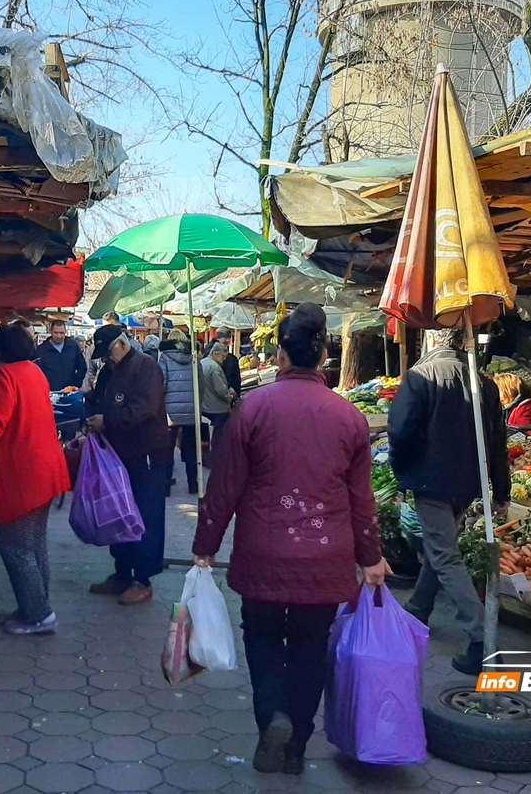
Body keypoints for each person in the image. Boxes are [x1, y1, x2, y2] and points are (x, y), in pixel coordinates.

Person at [193, 303, 387, 777]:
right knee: (309, 645)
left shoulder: (251, 410)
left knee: (261, 638)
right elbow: (362, 500)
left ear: (280, 355)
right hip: (325, 560)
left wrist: (205, 546)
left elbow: (224, 487)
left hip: (262, 553)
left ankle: (271, 720)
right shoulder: (349, 418)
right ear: (322, 356)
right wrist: (372, 558)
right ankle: (297, 743)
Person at [387, 326, 511, 675]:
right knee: (440, 549)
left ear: (433, 340)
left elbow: (400, 431)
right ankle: (418, 608)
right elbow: (496, 442)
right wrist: (501, 490)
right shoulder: (484, 383)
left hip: (431, 481)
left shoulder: (420, 376)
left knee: (444, 554)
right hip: (467, 483)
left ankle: (482, 642)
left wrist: (403, 468)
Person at [0, 326, 71, 634]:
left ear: (0, 352)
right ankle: (35, 607)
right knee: (33, 543)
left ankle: (39, 614)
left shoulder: (5, 377)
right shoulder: (35, 373)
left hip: (23, 470)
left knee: (14, 544)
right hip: (46, 466)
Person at [86, 324, 171, 605]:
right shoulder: (110, 370)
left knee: (145, 516)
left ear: (122, 344)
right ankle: (121, 572)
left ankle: (143, 579)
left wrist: (108, 421)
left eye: (108, 352)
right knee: (118, 513)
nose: (106, 359)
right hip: (117, 454)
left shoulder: (145, 367)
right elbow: (99, 399)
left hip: (146, 455)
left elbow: (144, 409)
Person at [158, 328, 198, 495]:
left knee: (167, 450)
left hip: (170, 411)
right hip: (191, 410)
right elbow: (199, 383)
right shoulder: (194, 357)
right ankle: (193, 485)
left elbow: (162, 383)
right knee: (191, 450)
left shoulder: (165, 358)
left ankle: (166, 486)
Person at [199, 342, 234, 457]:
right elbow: (220, 389)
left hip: (204, 406)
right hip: (217, 408)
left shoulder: (202, 363)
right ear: (215, 354)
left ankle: (204, 456)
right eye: (222, 356)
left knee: (204, 437)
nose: (224, 359)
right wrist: (229, 397)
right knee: (217, 437)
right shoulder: (215, 367)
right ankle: (214, 458)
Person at [35, 319, 86, 391]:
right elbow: (37, 373)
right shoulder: (41, 349)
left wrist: (76, 384)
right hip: (50, 392)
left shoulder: (73, 346)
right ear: (51, 332)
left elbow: (82, 367)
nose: (59, 336)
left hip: (70, 391)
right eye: (56, 333)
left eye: (61, 333)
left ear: (66, 332)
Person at [215, 327, 242, 398]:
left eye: (229, 338)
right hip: (218, 396)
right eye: (225, 338)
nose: (228, 340)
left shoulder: (232, 359)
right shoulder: (211, 359)